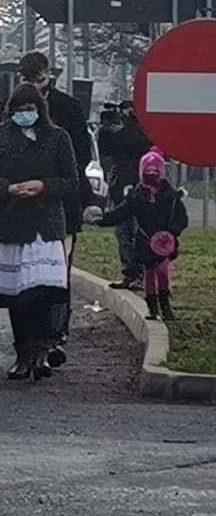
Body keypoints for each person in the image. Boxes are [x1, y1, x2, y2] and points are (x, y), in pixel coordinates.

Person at [0, 83, 78, 381]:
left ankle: (42, 349)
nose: (24, 115)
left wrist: (43, 186)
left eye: (29, 110)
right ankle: (22, 352)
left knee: (43, 292)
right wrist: (7, 188)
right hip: (10, 222)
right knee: (17, 295)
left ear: (40, 110)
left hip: (44, 225)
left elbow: (70, 180)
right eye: (18, 110)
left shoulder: (58, 138)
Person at [17, 50, 97, 365]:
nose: (35, 87)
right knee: (22, 277)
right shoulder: (7, 110)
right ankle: (25, 347)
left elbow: (82, 158)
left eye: (39, 80)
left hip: (61, 204)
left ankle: (55, 336)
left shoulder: (69, 108)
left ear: (49, 75)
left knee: (57, 273)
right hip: (20, 205)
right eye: (28, 80)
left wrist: (49, 180)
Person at [91, 149, 188, 320]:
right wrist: (101, 219)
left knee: (163, 271)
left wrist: (173, 231)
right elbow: (120, 213)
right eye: (147, 172)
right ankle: (152, 307)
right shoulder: (136, 196)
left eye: (154, 172)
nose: (151, 176)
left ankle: (165, 303)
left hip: (165, 241)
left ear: (161, 173)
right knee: (150, 272)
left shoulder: (170, 196)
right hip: (144, 240)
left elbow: (181, 217)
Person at [96, 102, 155, 286]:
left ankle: (139, 273)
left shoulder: (143, 133)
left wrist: (123, 129)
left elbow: (136, 143)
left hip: (139, 186)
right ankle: (132, 272)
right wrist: (105, 131)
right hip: (122, 186)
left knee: (135, 231)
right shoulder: (122, 135)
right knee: (124, 232)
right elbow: (106, 150)